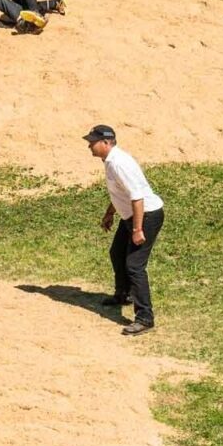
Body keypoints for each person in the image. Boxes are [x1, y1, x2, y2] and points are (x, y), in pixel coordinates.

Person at [81, 124, 166, 337]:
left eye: (93, 141)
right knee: (117, 253)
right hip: (132, 215)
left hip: (145, 216)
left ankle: (145, 318)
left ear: (106, 143)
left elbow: (137, 198)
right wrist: (110, 212)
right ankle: (123, 295)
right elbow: (120, 192)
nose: (89, 145)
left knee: (135, 266)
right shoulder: (110, 161)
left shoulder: (119, 163)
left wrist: (137, 229)